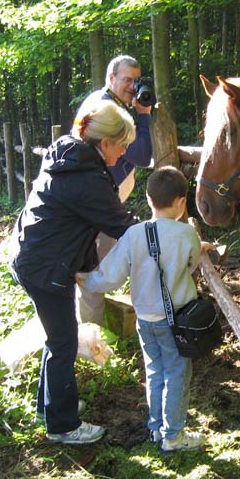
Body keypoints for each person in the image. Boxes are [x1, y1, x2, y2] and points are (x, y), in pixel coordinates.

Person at [9, 99, 139, 445]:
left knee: (59, 339)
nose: (124, 152)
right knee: (64, 342)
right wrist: (166, 232)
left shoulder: (69, 158)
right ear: (105, 142)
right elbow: (121, 224)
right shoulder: (85, 178)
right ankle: (63, 425)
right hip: (46, 268)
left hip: (36, 258)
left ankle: (49, 408)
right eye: (123, 144)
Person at [79, 167, 212, 453]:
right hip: (174, 320)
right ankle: (173, 435)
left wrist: (87, 279)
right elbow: (191, 265)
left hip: (144, 319)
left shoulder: (133, 234)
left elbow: (112, 275)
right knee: (176, 372)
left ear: (149, 198)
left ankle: (155, 428)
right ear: (180, 201)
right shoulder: (186, 233)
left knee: (154, 370)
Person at [74, 54, 155, 325]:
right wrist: (144, 117)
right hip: (99, 201)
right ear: (111, 78)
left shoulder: (104, 101)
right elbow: (142, 155)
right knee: (94, 267)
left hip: (97, 197)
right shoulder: (109, 110)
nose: (133, 87)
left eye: (137, 80)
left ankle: (91, 329)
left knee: (96, 264)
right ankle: (92, 335)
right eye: (126, 80)